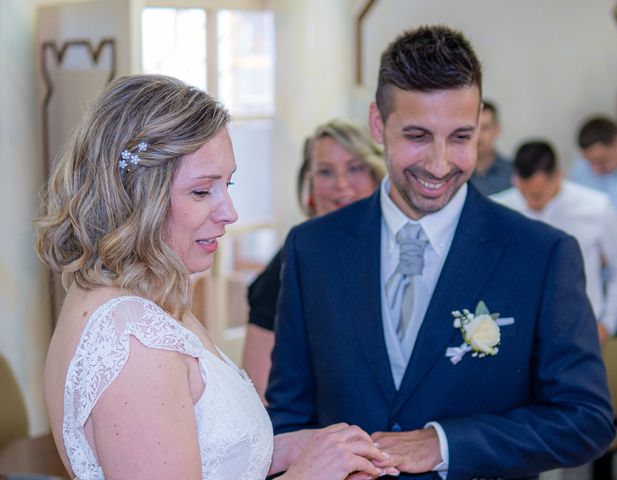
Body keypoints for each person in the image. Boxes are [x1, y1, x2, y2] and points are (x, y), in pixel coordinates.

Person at [266, 25, 614, 479]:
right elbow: (290, 415)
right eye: (417, 136)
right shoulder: (312, 247)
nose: (439, 163)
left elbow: (585, 419)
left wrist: (445, 443)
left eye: (460, 137)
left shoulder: (542, 255)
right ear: (378, 124)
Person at [34, 74, 398, 480]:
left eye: (228, 184)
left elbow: (205, 455)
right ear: (138, 196)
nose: (230, 212)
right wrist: (309, 474)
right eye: (202, 192)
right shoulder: (133, 341)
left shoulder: (145, 300)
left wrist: (292, 448)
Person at [242, 119, 385, 399]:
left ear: (376, 174)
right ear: (310, 183)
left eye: (355, 168)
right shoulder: (290, 263)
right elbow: (257, 388)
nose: (342, 184)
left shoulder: (395, 250)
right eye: (326, 172)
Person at [492, 140, 617, 341]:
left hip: (579, 327)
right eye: (523, 193)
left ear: (557, 176)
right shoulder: (499, 208)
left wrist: (608, 323)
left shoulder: (596, 207)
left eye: (536, 195)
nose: (529, 202)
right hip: (517, 328)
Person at [572, 116, 617, 338]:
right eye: (591, 162)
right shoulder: (581, 171)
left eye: (602, 161)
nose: (596, 169)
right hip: (593, 281)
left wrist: (616, 252)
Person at [469, 100, 512, 195]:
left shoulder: (513, 173)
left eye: (485, 127)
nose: (478, 135)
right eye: (473, 128)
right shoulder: (454, 174)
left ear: (497, 129)